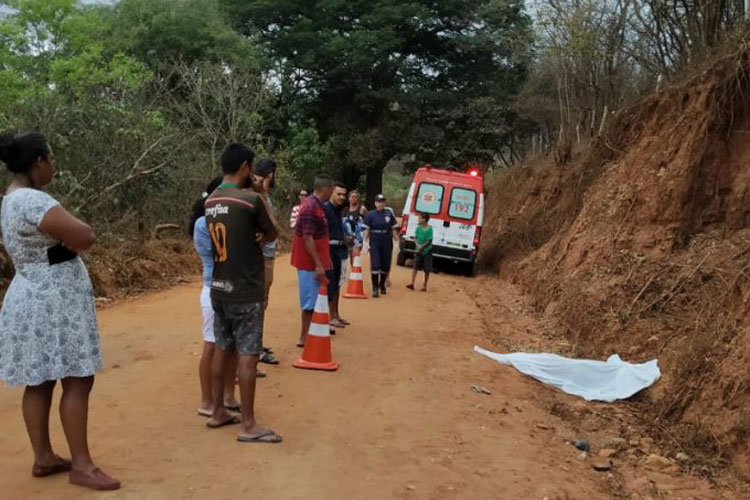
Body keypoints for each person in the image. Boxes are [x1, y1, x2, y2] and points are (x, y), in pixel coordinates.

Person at [0, 132, 120, 490]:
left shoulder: (8, 200)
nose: (54, 166)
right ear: (39, 162)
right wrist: (72, 238)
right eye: (51, 159)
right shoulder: (33, 200)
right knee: (77, 378)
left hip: (30, 292)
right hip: (53, 300)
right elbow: (84, 236)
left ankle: (44, 456)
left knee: (40, 380)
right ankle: (81, 465)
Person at [204, 143, 281, 443]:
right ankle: (248, 424)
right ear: (246, 167)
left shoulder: (211, 201)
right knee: (248, 356)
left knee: (222, 349)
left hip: (219, 287)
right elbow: (273, 232)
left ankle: (217, 410)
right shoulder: (251, 200)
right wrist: (261, 194)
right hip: (246, 289)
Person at [189, 177, 243, 418]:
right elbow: (221, 254)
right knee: (212, 344)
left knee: (230, 346)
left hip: (231, 287)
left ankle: (228, 396)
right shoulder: (203, 223)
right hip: (214, 288)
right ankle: (207, 400)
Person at [291, 174, 334, 347]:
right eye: (331, 189)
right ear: (326, 189)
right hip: (308, 264)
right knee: (310, 302)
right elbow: (308, 238)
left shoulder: (318, 206)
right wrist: (318, 264)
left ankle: (311, 334)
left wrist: (325, 259)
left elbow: (319, 236)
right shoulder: (310, 208)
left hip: (316, 262)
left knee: (316, 300)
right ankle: (304, 337)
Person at [251, 159, 281, 366]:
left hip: (266, 255)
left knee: (262, 302)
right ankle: (255, 349)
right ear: (271, 173)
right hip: (262, 256)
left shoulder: (263, 194)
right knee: (258, 303)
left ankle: (256, 344)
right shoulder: (257, 194)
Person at [324, 183, 351, 328]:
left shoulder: (338, 210)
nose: (342, 197)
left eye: (343, 195)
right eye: (339, 194)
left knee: (337, 284)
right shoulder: (326, 209)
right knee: (331, 284)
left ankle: (335, 314)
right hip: (329, 249)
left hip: (339, 250)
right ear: (331, 193)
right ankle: (329, 316)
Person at [363, 194, 399, 297]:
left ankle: (381, 284)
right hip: (375, 239)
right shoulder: (370, 215)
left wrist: (396, 242)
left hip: (386, 240)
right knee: (375, 264)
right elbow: (367, 229)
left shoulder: (389, 214)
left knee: (385, 264)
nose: (381, 204)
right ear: (375, 203)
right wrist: (365, 241)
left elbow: (393, 229)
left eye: (382, 202)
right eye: (379, 202)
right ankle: (375, 287)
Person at [406, 213, 434, 292]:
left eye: (419, 218)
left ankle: (425, 285)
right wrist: (418, 245)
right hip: (419, 250)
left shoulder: (429, 229)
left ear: (424, 219)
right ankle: (412, 283)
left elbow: (429, 240)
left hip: (426, 251)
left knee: (427, 269)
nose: (418, 220)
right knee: (415, 267)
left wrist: (421, 246)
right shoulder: (418, 228)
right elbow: (415, 237)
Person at [344, 190, 368, 264]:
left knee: (355, 256)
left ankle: (355, 273)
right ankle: (352, 273)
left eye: (355, 197)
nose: (353, 199)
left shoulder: (362, 209)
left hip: (358, 238)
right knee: (348, 258)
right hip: (347, 237)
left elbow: (368, 222)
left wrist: (366, 238)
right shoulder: (345, 209)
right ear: (349, 198)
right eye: (352, 197)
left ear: (358, 199)